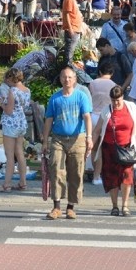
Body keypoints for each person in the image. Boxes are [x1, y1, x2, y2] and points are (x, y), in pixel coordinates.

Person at [42, 67, 93, 220]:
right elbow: (49, 120)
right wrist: (45, 140)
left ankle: (71, 207)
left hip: (78, 138)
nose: (67, 80)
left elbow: (87, 117)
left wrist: (89, 137)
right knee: (56, 169)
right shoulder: (55, 98)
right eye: (64, 77)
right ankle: (56, 206)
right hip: (58, 138)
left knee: (76, 172)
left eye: (70, 77)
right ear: (60, 79)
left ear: (75, 79)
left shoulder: (81, 96)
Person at [93, 85, 136, 217]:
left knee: (127, 176)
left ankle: (125, 205)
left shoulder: (131, 107)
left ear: (123, 98)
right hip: (109, 149)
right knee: (112, 178)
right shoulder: (107, 110)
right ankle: (115, 205)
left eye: (118, 100)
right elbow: (98, 129)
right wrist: (90, 144)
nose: (116, 103)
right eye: (113, 100)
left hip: (127, 148)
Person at [0, 67, 31, 192]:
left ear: (11, 78)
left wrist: (1, 103)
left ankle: (7, 184)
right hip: (21, 122)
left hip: (10, 123)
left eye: (7, 78)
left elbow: (8, 111)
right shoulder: (27, 90)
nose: (5, 81)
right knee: (20, 153)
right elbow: (21, 107)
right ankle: (23, 182)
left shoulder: (12, 91)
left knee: (9, 155)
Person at [61, 0, 84, 64]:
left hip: (75, 28)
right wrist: (70, 29)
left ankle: (68, 66)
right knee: (69, 52)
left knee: (71, 51)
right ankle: (67, 67)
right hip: (72, 29)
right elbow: (67, 14)